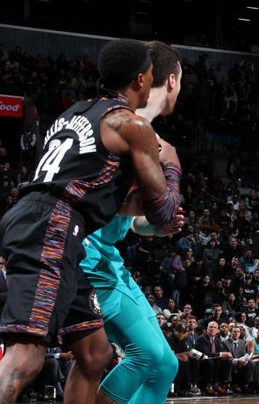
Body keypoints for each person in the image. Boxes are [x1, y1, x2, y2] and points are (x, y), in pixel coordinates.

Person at [0, 38, 182, 403]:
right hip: (53, 226)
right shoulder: (131, 125)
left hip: (50, 224)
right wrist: (173, 164)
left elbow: (104, 194)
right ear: (142, 79)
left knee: (95, 352)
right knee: (27, 354)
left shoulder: (74, 112)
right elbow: (162, 211)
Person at [80, 40, 184, 404]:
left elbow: (132, 221)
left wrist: (156, 225)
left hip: (109, 257)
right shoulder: (120, 128)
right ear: (170, 81)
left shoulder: (147, 136)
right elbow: (98, 199)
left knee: (166, 364)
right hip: (87, 256)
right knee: (146, 356)